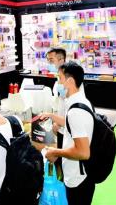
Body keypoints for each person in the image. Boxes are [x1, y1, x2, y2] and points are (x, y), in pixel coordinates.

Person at [36, 63, 96, 205]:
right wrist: (51, 115)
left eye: (60, 78)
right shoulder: (79, 102)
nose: (58, 83)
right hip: (79, 173)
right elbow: (69, 123)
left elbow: (83, 152)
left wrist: (56, 152)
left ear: (69, 81)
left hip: (78, 177)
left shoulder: (76, 110)